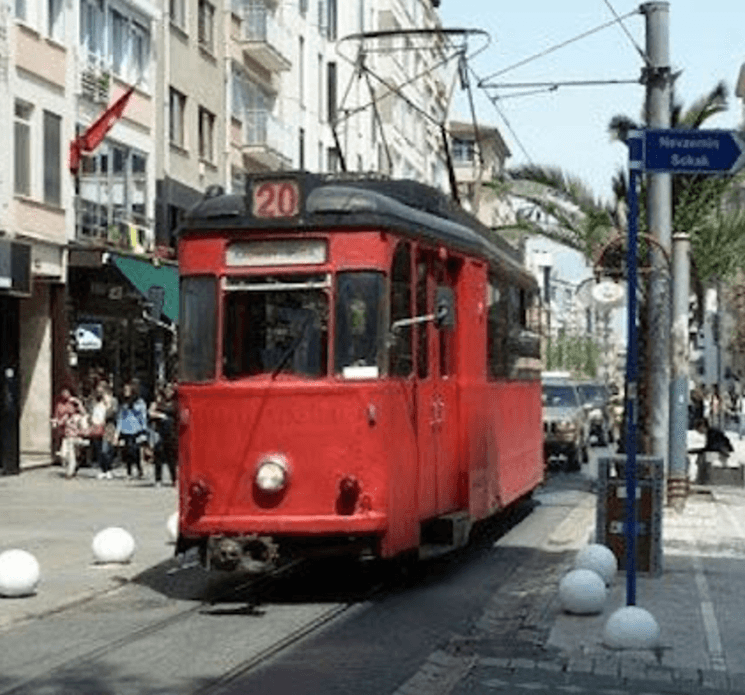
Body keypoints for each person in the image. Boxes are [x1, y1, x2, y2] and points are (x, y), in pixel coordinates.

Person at [51, 387, 87, 479]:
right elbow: (58, 420)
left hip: (75, 438)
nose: (69, 408)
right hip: (66, 436)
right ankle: (70, 469)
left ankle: (70, 472)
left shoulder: (79, 418)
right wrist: (56, 423)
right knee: (64, 455)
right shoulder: (65, 414)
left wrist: (78, 402)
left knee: (72, 455)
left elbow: (84, 416)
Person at [115, 381, 148, 479]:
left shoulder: (139, 402)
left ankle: (139, 469)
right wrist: (117, 432)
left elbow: (143, 416)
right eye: (124, 390)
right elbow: (120, 417)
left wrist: (144, 429)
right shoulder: (122, 403)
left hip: (136, 429)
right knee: (127, 451)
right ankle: (129, 471)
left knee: (135, 450)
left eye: (128, 390)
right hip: (125, 429)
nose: (125, 392)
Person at [149, 382, 177, 487]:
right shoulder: (159, 402)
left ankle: (174, 479)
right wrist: (160, 415)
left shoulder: (176, 402)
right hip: (159, 432)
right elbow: (151, 412)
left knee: (171, 458)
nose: (169, 392)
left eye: (171, 390)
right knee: (158, 456)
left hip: (172, 432)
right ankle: (158, 479)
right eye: (167, 390)